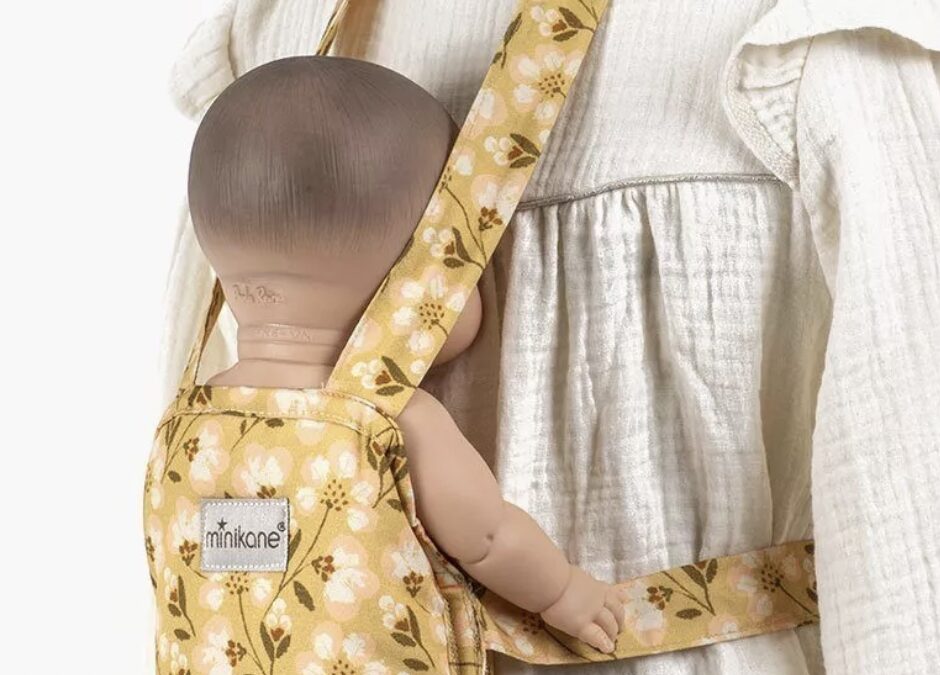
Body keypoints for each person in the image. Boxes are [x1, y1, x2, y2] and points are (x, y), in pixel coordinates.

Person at [161, 1, 940, 673]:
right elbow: (489, 537)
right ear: (416, 281)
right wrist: (564, 591)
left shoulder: (187, 430)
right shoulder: (397, 424)